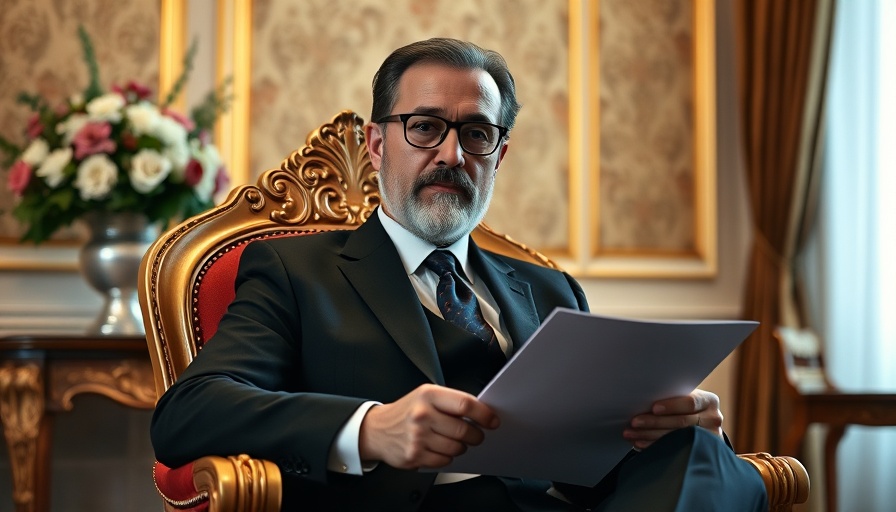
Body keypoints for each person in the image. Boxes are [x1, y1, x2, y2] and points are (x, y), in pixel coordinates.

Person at [151, 38, 768, 511]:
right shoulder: (295, 271)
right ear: (375, 144)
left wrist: (663, 428)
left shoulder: (550, 289)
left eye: (476, 134)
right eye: (424, 126)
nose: (450, 154)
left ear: (498, 154)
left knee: (697, 451)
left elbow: (595, 466)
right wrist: (370, 429)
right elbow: (188, 414)